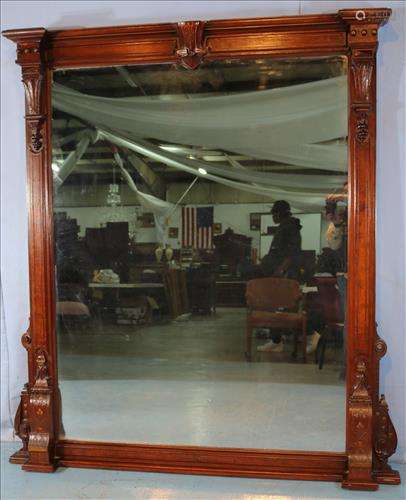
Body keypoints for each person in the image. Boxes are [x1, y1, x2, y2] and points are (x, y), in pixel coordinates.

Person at [257, 200, 302, 352]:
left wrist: (281, 270)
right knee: (277, 306)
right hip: (279, 272)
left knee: (277, 306)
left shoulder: (289, 227)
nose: (272, 217)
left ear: (279, 213)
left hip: (283, 274)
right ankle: (276, 339)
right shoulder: (286, 226)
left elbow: (291, 252)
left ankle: (277, 341)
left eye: (273, 214)